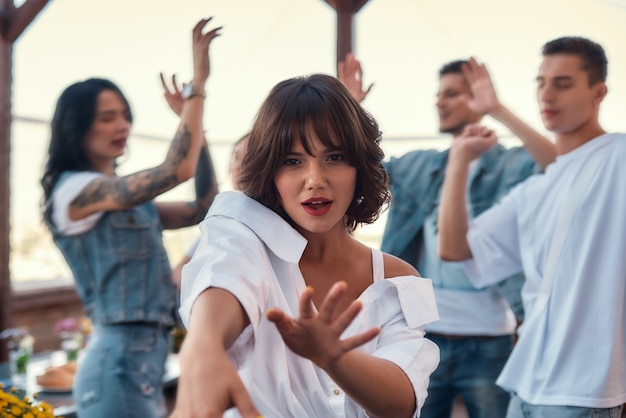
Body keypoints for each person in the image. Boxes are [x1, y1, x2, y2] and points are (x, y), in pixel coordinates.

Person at [172, 73, 440, 418]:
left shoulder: (397, 279)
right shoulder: (245, 238)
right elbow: (223, 278)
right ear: (270, 172)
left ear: (360, 166)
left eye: (335, 157)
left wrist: (336, 358)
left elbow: (402, 403)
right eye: (292, 161)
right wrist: (203, 350)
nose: (315, 180)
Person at [338, 53, 556, 418]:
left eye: (452, 93)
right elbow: (360, 171)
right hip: (424, 336)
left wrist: (498, 109)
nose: (440, 101)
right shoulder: (422, 165)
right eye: (440, 94)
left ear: (478, 100)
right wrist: (349, 110)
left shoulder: (507, 165)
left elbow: (561, 166)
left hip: (490, 342)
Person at [40, 18, 221, 418]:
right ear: (77, 127)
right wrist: (197, 87)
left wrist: (197, 131)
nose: (122, 125)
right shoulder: (74, 192)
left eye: (124, 114)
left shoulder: (122, 199)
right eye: (107, 118)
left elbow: (204, 207)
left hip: (142, 360)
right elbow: (176, 170)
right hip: (117, 363)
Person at [437, 36, 626, 418]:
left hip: (583, 393)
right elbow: (453, 249)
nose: (547, 94)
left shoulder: (619, 158)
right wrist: (458, 159)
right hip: (524, 386)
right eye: (541, 83)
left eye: (563, 83)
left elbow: (569, 160)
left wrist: (499, 111)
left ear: (598, 91)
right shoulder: (534, 191)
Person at [170, 132, 249, 288]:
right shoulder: (222, 222)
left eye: (251, 157)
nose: (238, 166)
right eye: (236, 157)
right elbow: (178, 276)